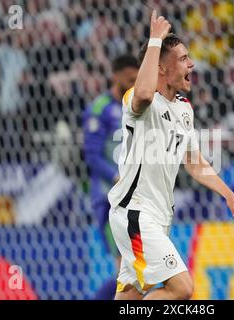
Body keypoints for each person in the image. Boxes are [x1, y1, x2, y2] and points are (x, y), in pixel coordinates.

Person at [107, 11, 234, 300]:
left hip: (157, 217)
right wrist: (155, 39)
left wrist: (227, 193)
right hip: (136, 213)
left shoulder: (184, 109)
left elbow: (194, 163)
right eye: (182, 59)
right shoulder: (138, 101)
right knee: (182, 288)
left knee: (130, 295)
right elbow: (144, 92)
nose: (191, 64)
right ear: (161, 69)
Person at [82, 54, 139, 299]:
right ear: (115, 77)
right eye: (129, 79)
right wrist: (117, 177)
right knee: (126, 270)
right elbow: (92, 156)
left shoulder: (135, 105)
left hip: (132, 199)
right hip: (109, 200)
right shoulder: (99, 109)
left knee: (133, 271)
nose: (134, 83)